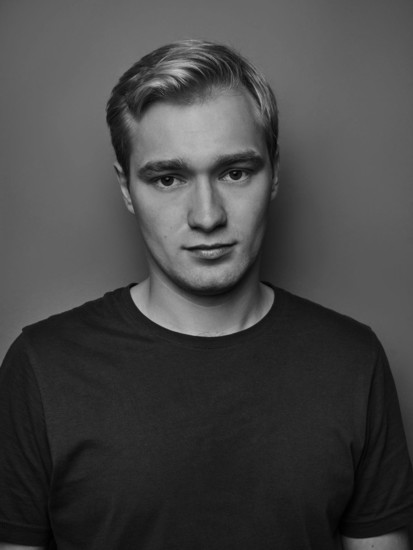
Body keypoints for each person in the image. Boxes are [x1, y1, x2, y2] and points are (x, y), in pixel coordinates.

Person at [0, 39, 412, 550]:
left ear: (274, 173)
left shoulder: (353, 361)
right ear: (126, 188)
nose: (207, 216)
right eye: (168, 179)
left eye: (235, 173)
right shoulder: (41, 368)